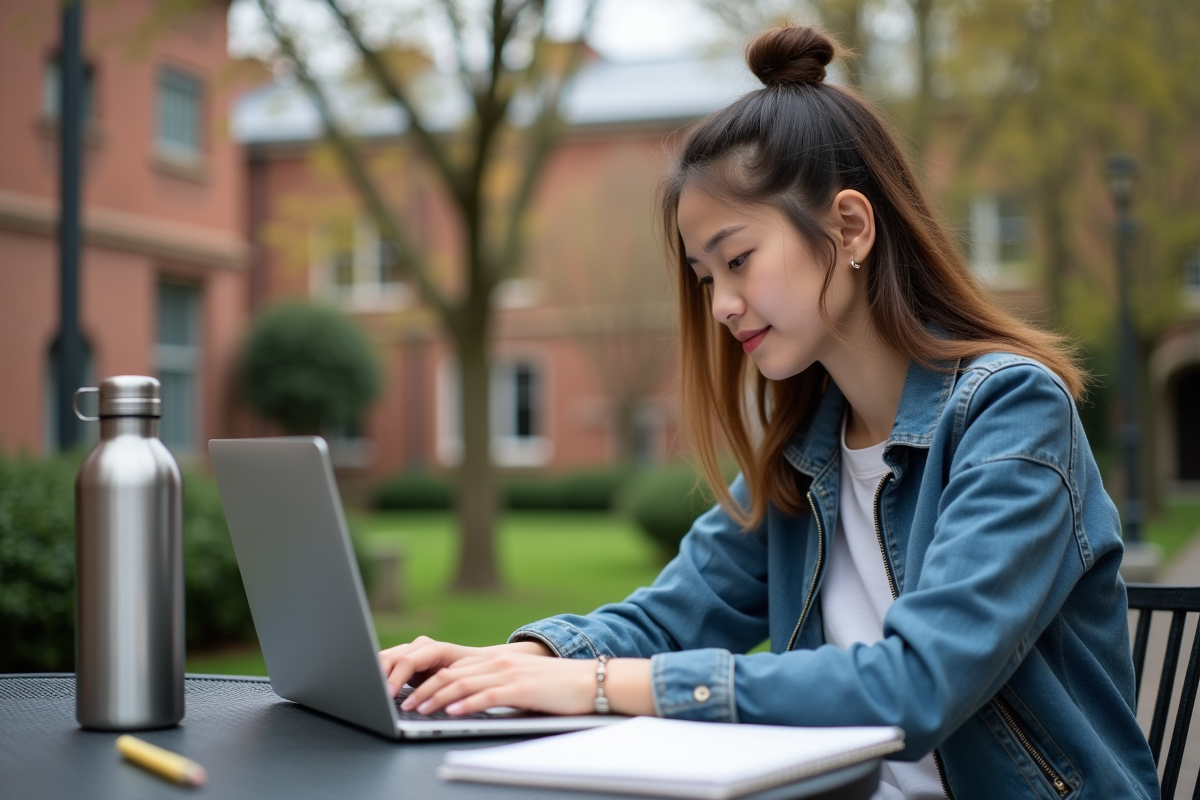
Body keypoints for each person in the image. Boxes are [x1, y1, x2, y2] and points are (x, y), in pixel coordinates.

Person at [379, 25, 1159, 800]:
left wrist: (600, 686)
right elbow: (673, 617)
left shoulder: (1011, 412)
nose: (720, 304)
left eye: (738, 259)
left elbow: (917, 684)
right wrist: (517, 663)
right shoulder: (806, 454)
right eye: (703, 276)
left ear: (850, 228)